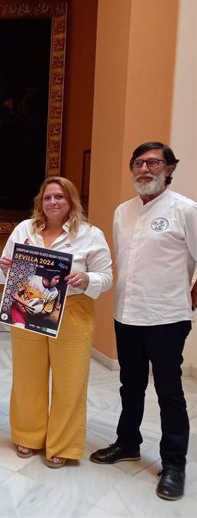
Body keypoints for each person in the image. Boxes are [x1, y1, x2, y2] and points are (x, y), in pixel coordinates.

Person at [90, 142, 196, 500]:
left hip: (167, 316)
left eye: (153, 163)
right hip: (127, 313)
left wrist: (189, 299)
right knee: (129, 385)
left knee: (169, 392)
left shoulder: (186, 210)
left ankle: (174, 465)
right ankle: (127, 443)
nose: (145, 169)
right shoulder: (122, 211)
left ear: (168, 168)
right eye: (138, 163)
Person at [0, 176, 113, 468]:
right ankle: (28, 435)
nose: (53, 202)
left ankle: (62, 444)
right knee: (27, 377)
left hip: (73, 311)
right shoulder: (25, 230)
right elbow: (2, 275)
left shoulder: (90, 234)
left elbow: (107, 277)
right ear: (41, 201)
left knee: (70, 381)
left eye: (59, 197)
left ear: (71, 201)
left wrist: (86, 278)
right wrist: (4, 268)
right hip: (27, 308)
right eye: (48, 197)